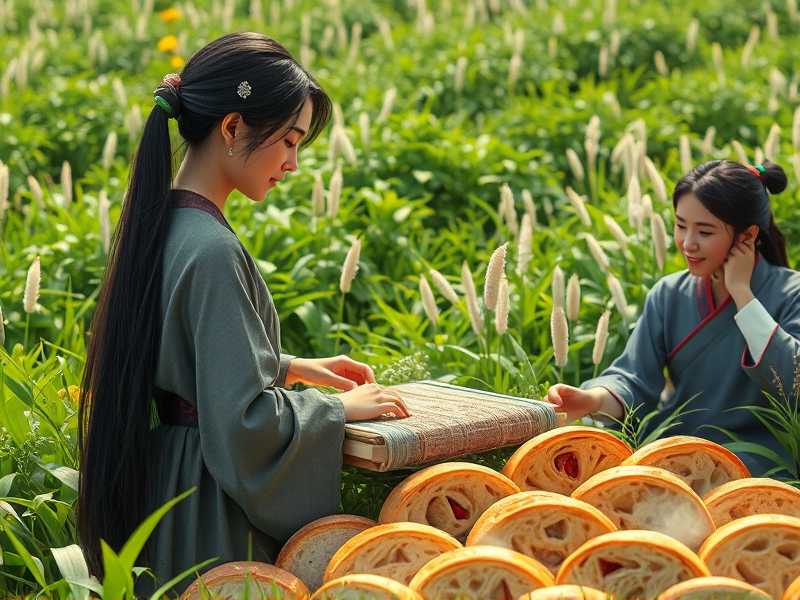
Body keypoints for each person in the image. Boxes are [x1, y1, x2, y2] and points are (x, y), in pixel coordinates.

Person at [76, 32, 410, 593]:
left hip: (168, 484)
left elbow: (182, 355)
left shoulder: (162, 227)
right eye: (289, 141)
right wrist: (336, 411)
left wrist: (288, 366)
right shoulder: (212, 249)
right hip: (212, 502)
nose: (294, 164)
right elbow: (241, 425)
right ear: (232, 128)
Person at [547, 159, 800, 475]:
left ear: (746, 237)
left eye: (704, 231)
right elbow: (633, 380)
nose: (687, 243)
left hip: (760, 469)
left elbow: (793, 381)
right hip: (676, 460)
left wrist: (742, 294)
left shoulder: (792, 294)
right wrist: (591, 400)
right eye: (681, 225)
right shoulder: (669, 294)